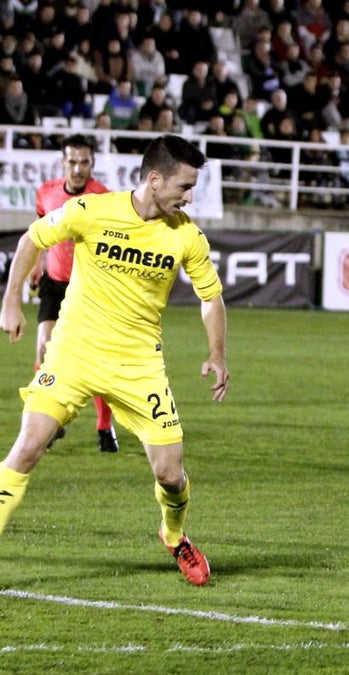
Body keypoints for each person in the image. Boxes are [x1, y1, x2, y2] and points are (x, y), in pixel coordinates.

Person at [0, 135, 230, 587]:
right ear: (154, 179)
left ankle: (174, 534)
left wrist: (217, 353)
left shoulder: (186, 234)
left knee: (170, 474)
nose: (188, 197)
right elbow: (34, 236)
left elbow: (211, 297)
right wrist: (10, 300)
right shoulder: (94, 211)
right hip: (73, 354)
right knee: (26, 448)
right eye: (184, 187)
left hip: (138, 364)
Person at [29, 134, 117, 453]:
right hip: (54, 282)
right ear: (62, 162)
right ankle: (51, 423)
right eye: (72, 161)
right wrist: (37, 264)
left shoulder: (104, 197)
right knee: (44, 351)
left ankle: (105, 427)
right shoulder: (46, 193)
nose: (78, 168)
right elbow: (41, 230)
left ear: (92, 164)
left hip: (89, 288)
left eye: (84, 162)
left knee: (95, 361)